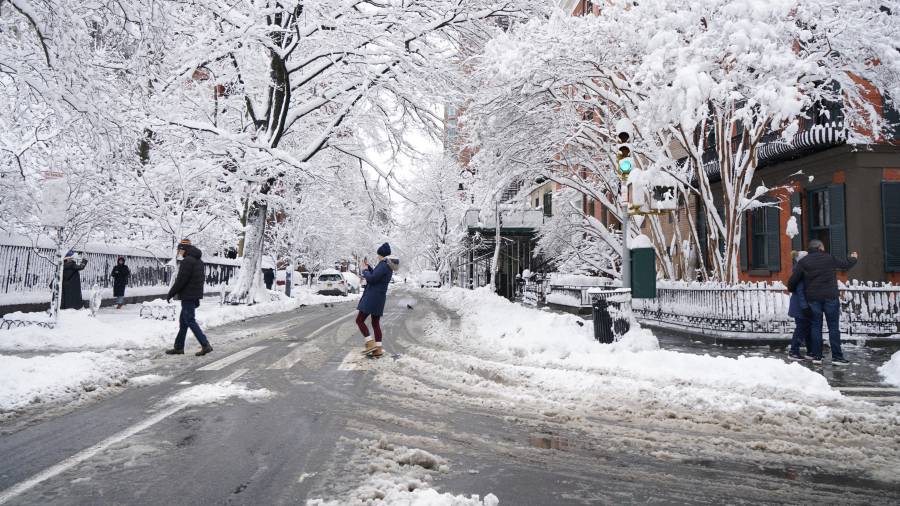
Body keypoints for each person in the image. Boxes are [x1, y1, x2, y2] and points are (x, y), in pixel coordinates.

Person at [787, 239, 858, 366]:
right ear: (820, 247)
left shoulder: (803, 262)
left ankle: (817, 356)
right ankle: (837, 357)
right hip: (830, 297)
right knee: (833, 327)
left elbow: (792, 282)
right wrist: (853, 258)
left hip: (813, 299)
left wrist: (793, 289)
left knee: (815, 326)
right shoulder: (829, 258)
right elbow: (845, 265)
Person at [165, 239, 213, 356]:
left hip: (188, 296)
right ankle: (179, 347)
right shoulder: (199, 261)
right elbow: (198, 280)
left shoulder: (187, 261)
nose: (178, 252)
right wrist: (196, 296)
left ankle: (205, 344)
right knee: (183, 321)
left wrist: (171, 293)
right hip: (193, 295)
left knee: (190, 320)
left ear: (184, 249)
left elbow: (181, 280)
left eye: (179, 249)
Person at [356, 242, 400, 357]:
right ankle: (378, 348)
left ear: (382, 255)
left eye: (378, 254)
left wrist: (365, 271)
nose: (377, 256)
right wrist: (369, 268)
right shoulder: (386, 265)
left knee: (359, 320)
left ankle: (370, 344)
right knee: (375, 323)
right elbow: (376, 275)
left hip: (372, 297)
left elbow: (372, 279)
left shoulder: (383, 265)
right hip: (379, 297)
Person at [786, 251, 812, 361]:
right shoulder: (800, 271)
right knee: (801, 328)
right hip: (800, 305)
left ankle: (810, 351)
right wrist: (805, 306)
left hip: (800, 304)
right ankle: (794, 351)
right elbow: (800, 291)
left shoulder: (800, 269)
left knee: (806, 327)